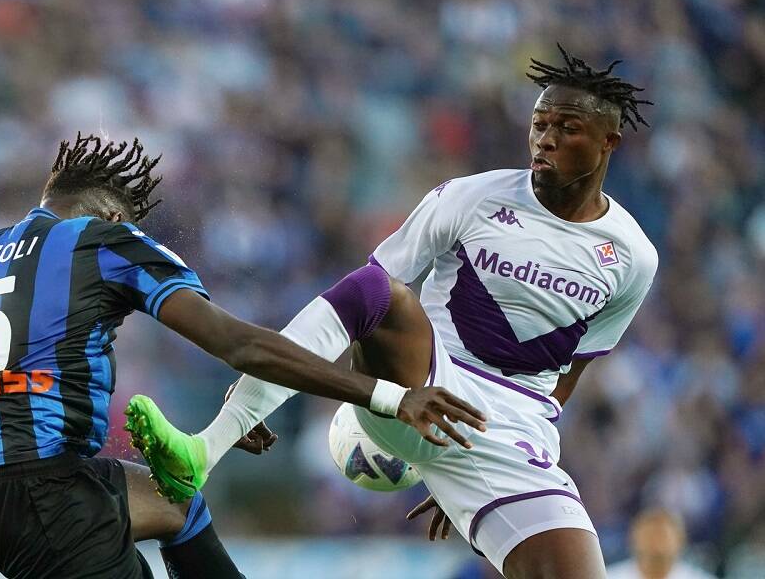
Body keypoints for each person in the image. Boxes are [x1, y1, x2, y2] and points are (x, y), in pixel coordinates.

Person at [126, 45, 659, 579]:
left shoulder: (633, 257)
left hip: (512, 434)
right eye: (540, 124)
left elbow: (570, 372)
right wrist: (269, 382)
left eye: (568, 128)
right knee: (383, 291)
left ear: (609, 142)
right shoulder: (470, 198)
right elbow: (367, 301)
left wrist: (462, 476)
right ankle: (204, 448)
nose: (545, 139)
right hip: (428, 382)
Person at [0, 134, 486, 579]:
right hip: (41, 494)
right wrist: (389, 396)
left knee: (176, 503)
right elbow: (239, 344)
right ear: (114, 214)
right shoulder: (105, 240)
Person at [606, 509, 716, 579]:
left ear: (681, 540)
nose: (656, 543)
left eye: (663, 535)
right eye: (650, 535)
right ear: (632, 539)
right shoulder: (606, 576)